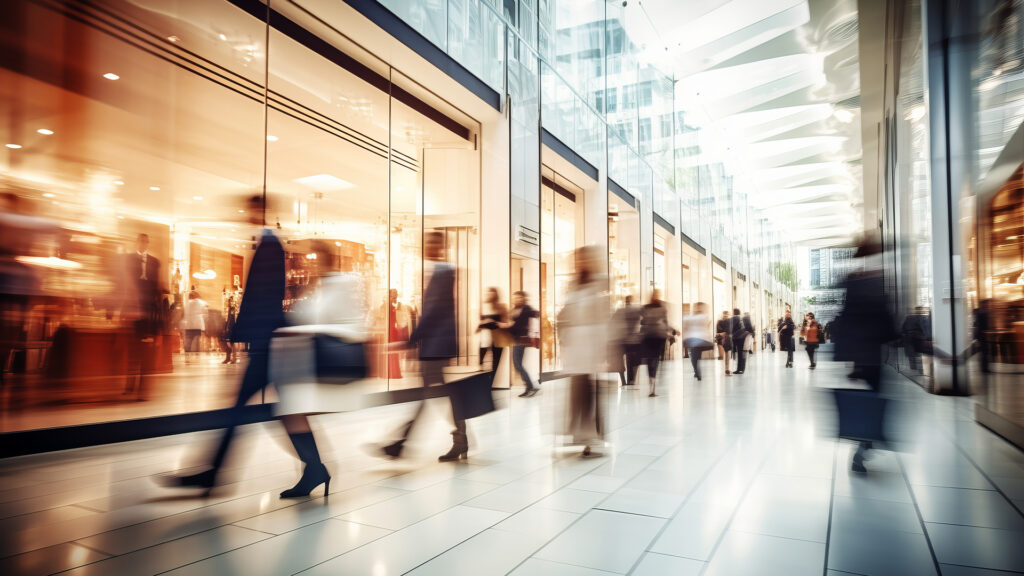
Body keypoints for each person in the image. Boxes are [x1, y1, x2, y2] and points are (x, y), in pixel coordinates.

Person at [160, 195, 286, 491]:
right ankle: (315, 468)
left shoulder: (270, 245)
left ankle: (214, 471)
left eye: (252, 210)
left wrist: (242, 333)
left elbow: (264, 297)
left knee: (244, 407)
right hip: (266, 340)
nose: (246, 216)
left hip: (266, 341)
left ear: (262, 212)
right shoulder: (268, 244)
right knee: (282, 409)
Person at [270, 241, 368, 498]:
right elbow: (310, 316)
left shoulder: (341, 284)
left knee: (289, 409)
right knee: (289, 410)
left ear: (328, 259)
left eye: (316, 258)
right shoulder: (324, 285)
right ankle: (314, 469)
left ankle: (314, 469)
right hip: (319, 361)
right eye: (311, 259)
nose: (313, 263)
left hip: (334, 363)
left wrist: (299, 326)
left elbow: (325, 319)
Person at [379, 231, 464, 462]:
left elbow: (433, 312)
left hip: (437, 345)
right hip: (435, 344)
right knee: (436, 393)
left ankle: (402, 444)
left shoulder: (444, 271)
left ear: (441, 246)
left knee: (429, 394)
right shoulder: (438, 272)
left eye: (433, 243)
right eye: (427, 243)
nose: (428, 247)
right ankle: (460, 439)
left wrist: (411, 338)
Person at [833, 235, 896, 473]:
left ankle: (865, 443)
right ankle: (865, 444)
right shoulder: (876, 279)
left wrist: (847, 358)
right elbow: (883, 318)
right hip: (872, 353)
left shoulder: (853, 279)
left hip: (860, 354)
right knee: (872, 399)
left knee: (867, 399)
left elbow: (846, 320)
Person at [558, 246, 608, 456]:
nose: (580, 263)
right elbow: (566, 312)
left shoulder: (598, 283)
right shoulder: (573, 285)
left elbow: (602, 315)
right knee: (576, 391)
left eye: (583, 259)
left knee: (589, 391)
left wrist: (602, 348)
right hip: (575, 345)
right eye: (577, 259)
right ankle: (577, 434)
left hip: (590, 343)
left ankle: (592, 436)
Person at [507, 291, 539, 397]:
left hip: (521, 340)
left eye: (520, 298)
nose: (517, 300)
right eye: (515, 298)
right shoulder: (514, 310)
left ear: (523, 299)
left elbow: (536, 314)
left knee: (517, 364)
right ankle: (529, 387)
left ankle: (531, 387)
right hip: (515, 340)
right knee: (518, 365)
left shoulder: (526, 308)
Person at [639, 290, 669, 396]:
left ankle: (651, 385)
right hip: (658, 336)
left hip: (648, 336)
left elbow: (642, 322)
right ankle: (652, 386)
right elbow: (665, 323)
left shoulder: (645, 308)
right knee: (655, 360)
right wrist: (671, 331)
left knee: (650, 360)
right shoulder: (662, 308)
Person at [478, 287, 509, 372]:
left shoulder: (501, 306)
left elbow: (505, 322)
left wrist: (494, 322)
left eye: (492, 293)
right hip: (486, 335)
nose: (489, 295)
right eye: (488, 293)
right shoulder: (484, 306)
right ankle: (483, 375)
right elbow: (480, 320)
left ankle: (494, 377)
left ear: (496, 295)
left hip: (498, 335)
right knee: (481, 356)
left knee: (496, 360)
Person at [682, 302, 713, 381]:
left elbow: (685, 327)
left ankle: (697, 372)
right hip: (700, 340)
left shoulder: (692, 317)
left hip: (694, 340)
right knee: (696, 357)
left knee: (694, 358)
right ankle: (697, 372)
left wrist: (684, 339)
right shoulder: (704, 317)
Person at [386, 289, 410, 378]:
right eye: (393, 293)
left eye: (396, 293)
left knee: (394, 351)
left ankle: (394, 372)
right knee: (390, 350)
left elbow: (402, 317)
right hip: (389, 330)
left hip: (394, 330)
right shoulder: (387, 305)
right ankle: (390, 372)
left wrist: (400, 325)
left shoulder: (399, 305)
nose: (395, 295)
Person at [181, 291, 208, 364]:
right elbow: (206, 314)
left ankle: (187, 358)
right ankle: (196, 358)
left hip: (189, 325)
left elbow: (184, 314)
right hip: (198, 325)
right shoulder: (202, 303)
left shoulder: (187, 303)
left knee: (188, 341)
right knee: (196, 341)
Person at [731, 308, 750, 374]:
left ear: (734, 312)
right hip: (742, 337)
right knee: (741, 353)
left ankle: (739, 369)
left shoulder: (734, 318)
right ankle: (741, 369)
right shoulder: (741, 318)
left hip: (737, 337)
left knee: (739, 353)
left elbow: (731, 328)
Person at [715, 310, 732, 375]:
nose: (726, 316)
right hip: (726, 339)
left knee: (725, 355)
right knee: (727, 355)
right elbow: (729, 331)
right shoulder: (729, 321)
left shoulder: (719, 321)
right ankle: (726, 369)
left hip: (721, 339)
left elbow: (718, 331)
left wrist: (720, 334)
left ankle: (726, 369)